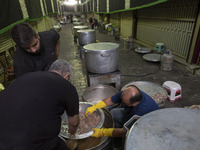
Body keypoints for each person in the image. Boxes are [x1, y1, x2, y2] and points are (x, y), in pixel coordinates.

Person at [0, 59, 79, 150]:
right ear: (66, 76)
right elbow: (74, 123)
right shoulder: (67, 86)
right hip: (26, 143)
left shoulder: (29, 76)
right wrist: (72, 135)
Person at [85, 85, 159, 138]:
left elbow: (126, 131)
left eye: (125, 103)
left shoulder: (141, 111)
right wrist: (95, 106)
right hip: (131, 114)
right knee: (114, 113)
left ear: (134, 104)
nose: (122, 103)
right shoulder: (127, 94)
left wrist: (103, 132)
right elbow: (111, 100)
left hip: (148, 127)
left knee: (127, 138)